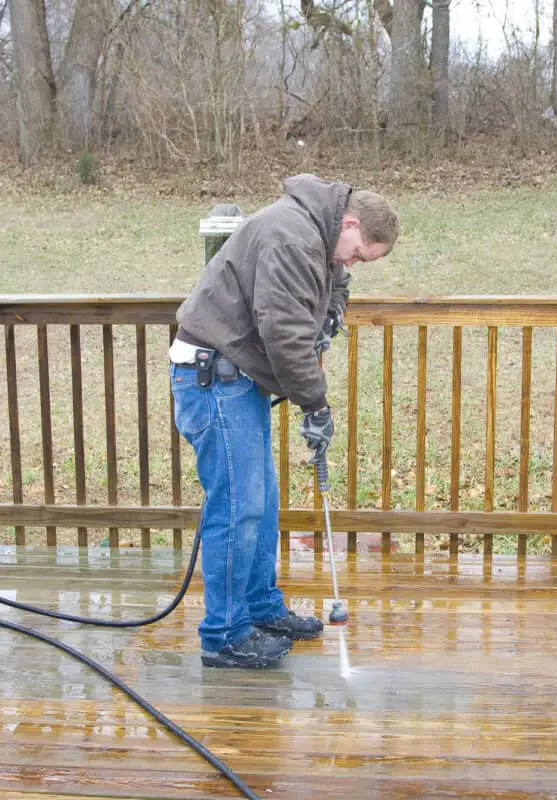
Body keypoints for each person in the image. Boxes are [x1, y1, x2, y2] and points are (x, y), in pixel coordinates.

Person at [170, 174, 399, 668]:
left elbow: (334, 286)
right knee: (237, 510)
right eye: (359, 252)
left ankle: (258, 609)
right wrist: (315, 406)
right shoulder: (291, 236)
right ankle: (225, 635)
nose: (352, 262)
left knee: (261, 504)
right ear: (352, 222)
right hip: (213, 379)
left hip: (237, 379)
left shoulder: (318, 234)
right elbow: (283, 332)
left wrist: (331, 316)